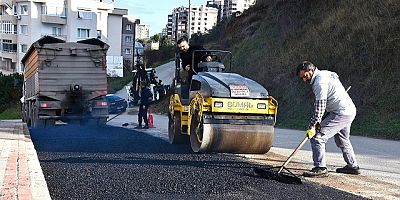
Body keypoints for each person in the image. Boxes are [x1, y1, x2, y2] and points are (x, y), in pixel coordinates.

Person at [296, 61, 360, 177]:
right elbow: (336, 77)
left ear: (310, 71)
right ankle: (353, 166)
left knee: (317, 137)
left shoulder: (319, 83)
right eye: (302, 78)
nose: (304, 80)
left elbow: (320, 107)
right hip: (348, 110)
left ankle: (320, 167)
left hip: (341, 113)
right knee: (342, 139)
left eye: (305, 76)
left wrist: (313, 126)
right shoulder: (326, 74)